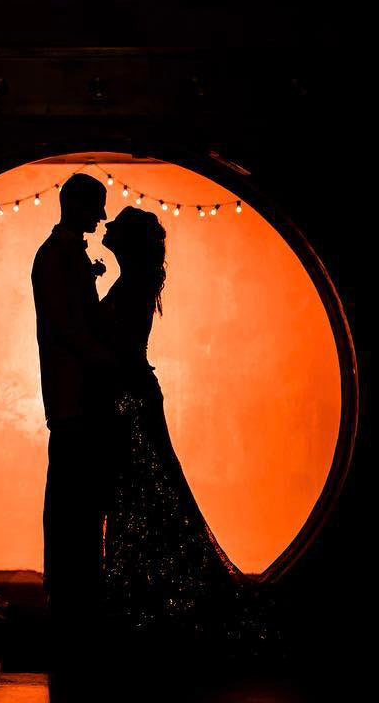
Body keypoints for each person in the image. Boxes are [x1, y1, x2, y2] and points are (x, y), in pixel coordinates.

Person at [98, 206, 274, 667]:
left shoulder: (133, 282)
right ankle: (147, 600)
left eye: (116, 224)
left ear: (129, 241)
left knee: (144, 495)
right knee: (144, 496)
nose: (107, 227)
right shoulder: (134, 279)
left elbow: (114, 344)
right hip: (132, 397)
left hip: (130, 400)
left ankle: (147, 603)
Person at [30, 173, 118, 669]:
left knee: (74, 500)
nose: (101, 219)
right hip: (73, 399)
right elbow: (65, 325)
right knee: (73, 502)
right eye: (97, 208)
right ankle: (70, 596)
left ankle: (71, 593)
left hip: (73, 397)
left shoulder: (61, 254)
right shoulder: (58, 256)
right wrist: (101, 357)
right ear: (77, 205)